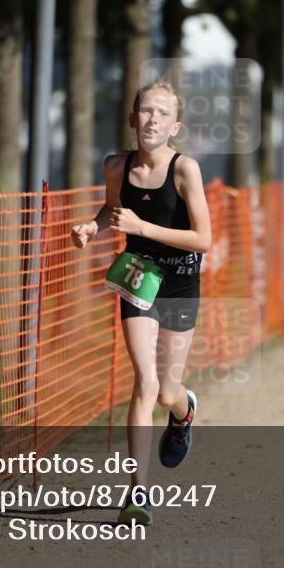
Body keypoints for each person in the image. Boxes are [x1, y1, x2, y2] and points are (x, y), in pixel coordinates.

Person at [69, 80, 212, 526]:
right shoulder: (116, 166)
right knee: (144, 382)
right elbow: (112, 212)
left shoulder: (185, 169)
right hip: (139, 278)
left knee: (167, 391)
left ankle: (184, 410)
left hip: (181, 282)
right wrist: (93, 228)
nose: (152, 120)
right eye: (146, 111)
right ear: (132, 119)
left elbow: (203, 239)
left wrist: (143, 228)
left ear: (175, 125)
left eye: (162, 114)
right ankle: (137, 493)